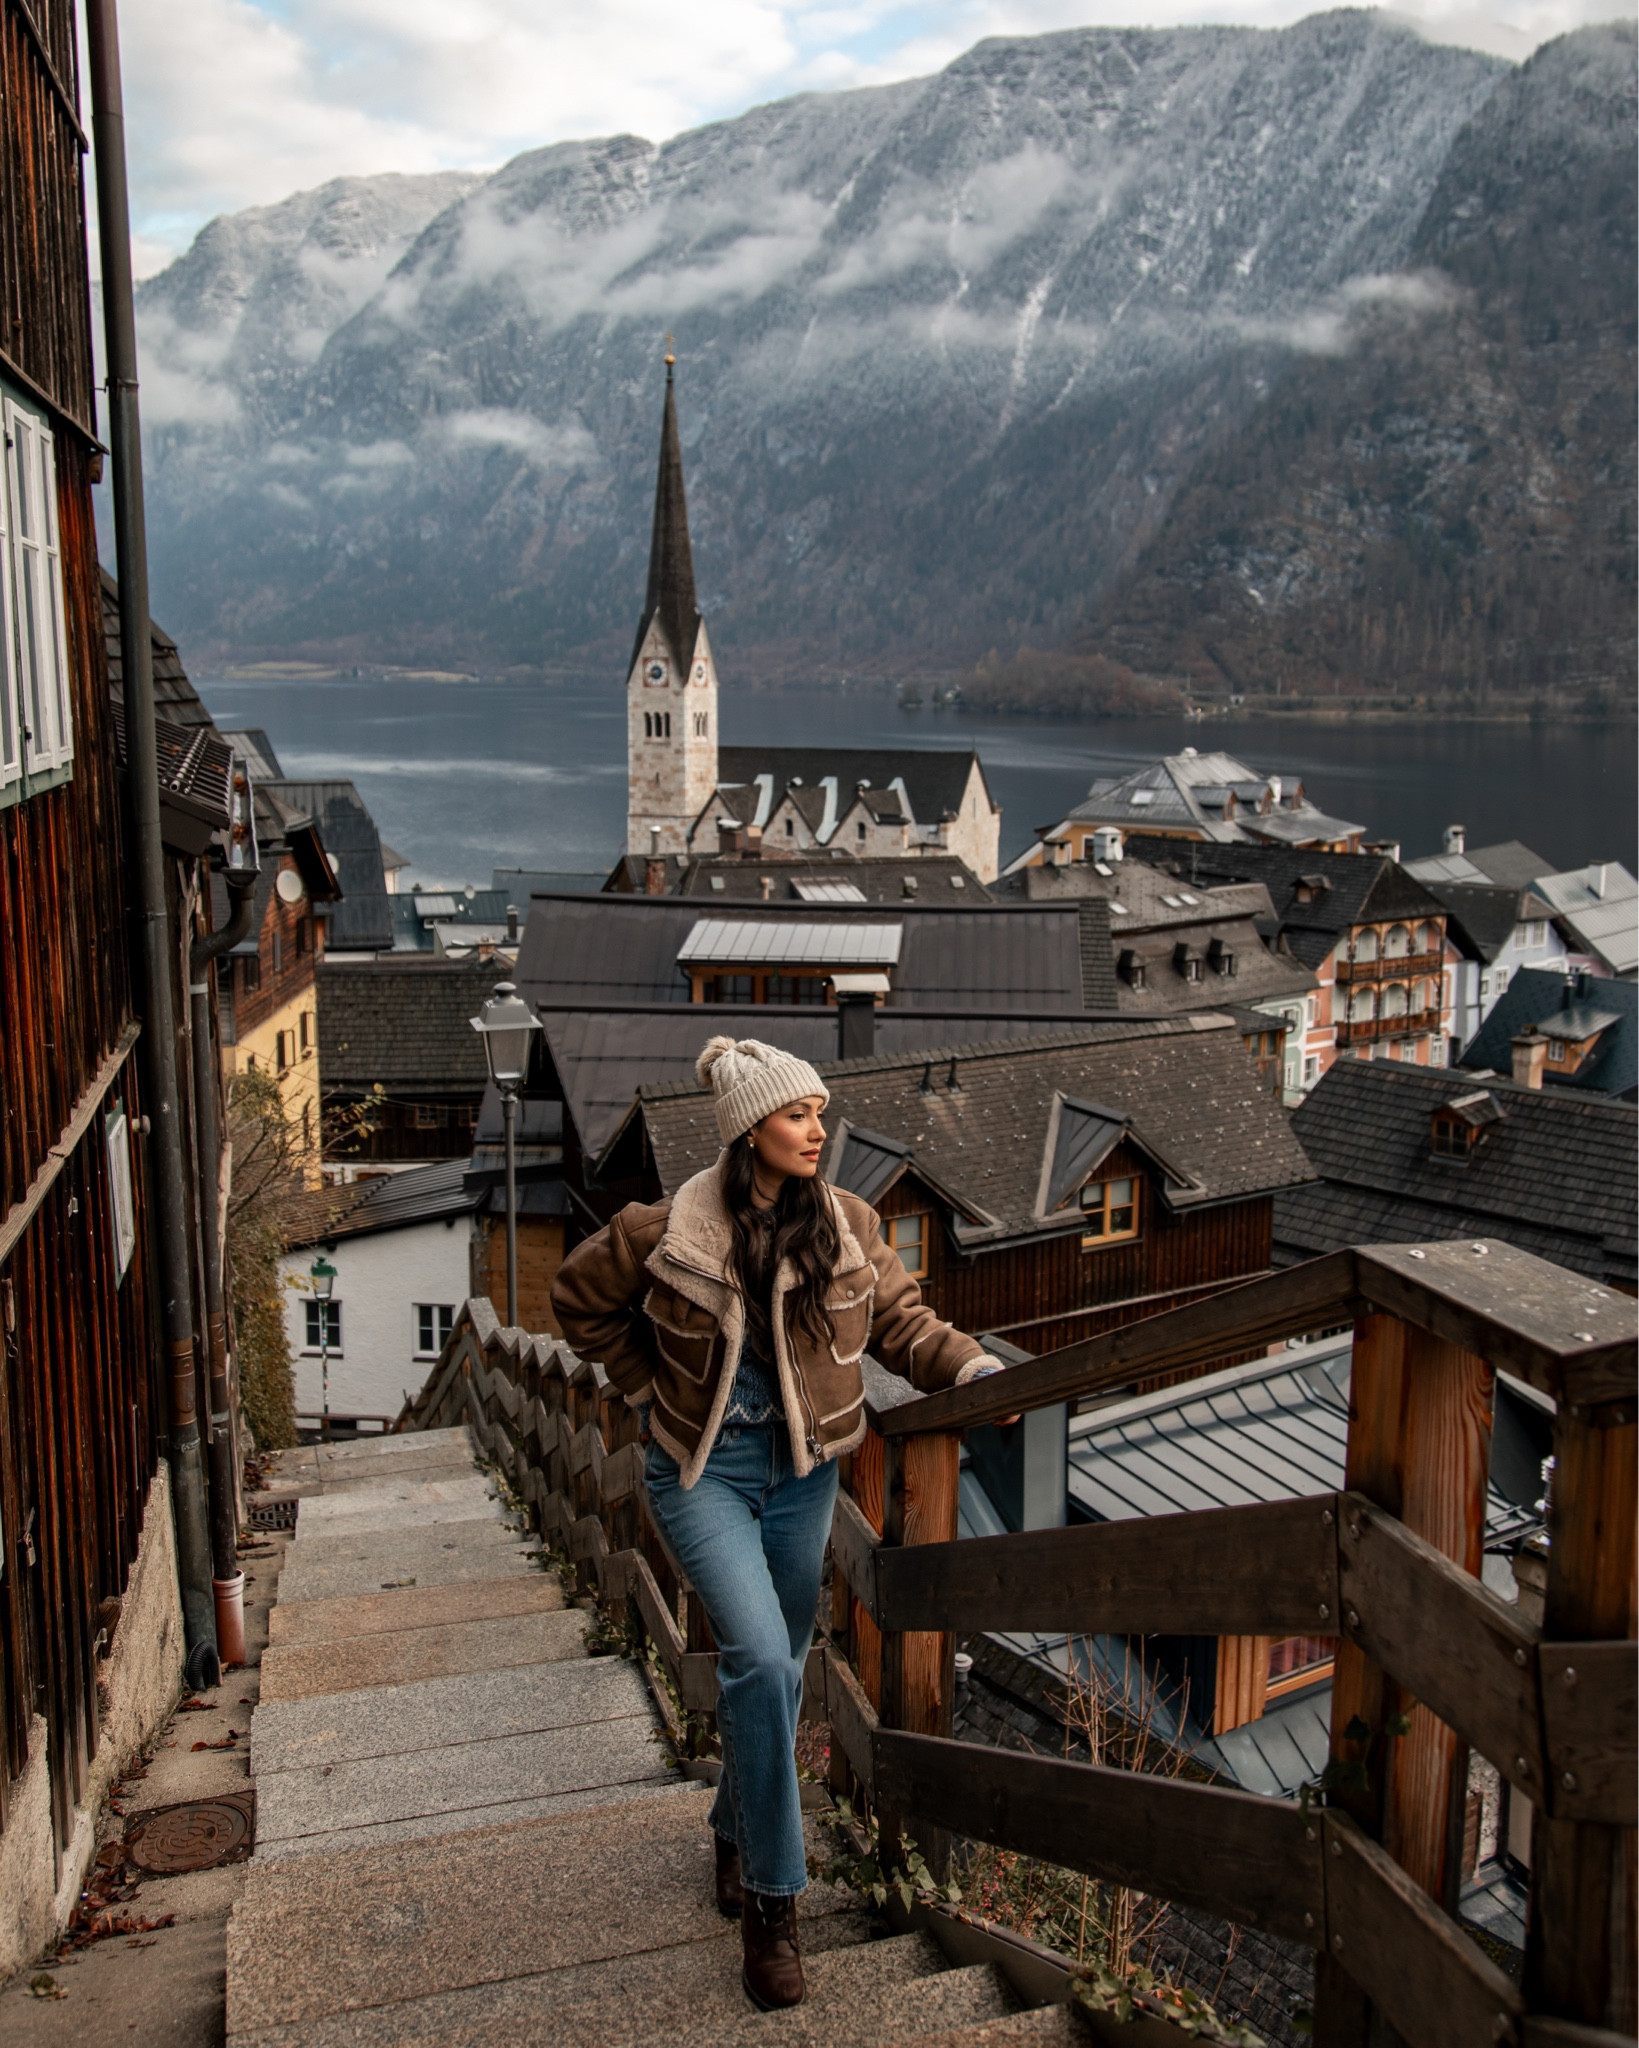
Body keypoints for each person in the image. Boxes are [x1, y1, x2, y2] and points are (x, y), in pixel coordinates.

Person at [550, 1036, 1009, 2011]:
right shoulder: (666, 1227)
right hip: (701, 1472)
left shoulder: (847, 1224)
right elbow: (575, 1300)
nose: (817, 1128)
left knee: (787, 1665)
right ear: (749, 1125)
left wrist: (969, 1368)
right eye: (798, 1112)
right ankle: (773, 1903)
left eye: (818, 1111)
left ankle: (736, 1823)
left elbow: (903, 1324)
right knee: (760, 1656)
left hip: (805, 1476)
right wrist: (645, 1385)